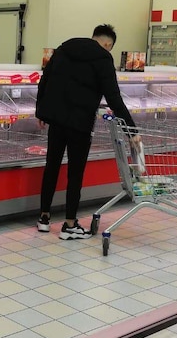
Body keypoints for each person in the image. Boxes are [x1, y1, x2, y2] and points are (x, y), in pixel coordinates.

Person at [35, 24, 139, 240]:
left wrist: (41, 112)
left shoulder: (64, 49)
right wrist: (131, 130)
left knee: (51, 166)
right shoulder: (103, 59)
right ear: (108, 44)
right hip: (80, 123)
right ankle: (70, 224)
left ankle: (44, 218)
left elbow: (44, 80)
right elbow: (114, 98)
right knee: (75, 173)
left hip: (56, 120)